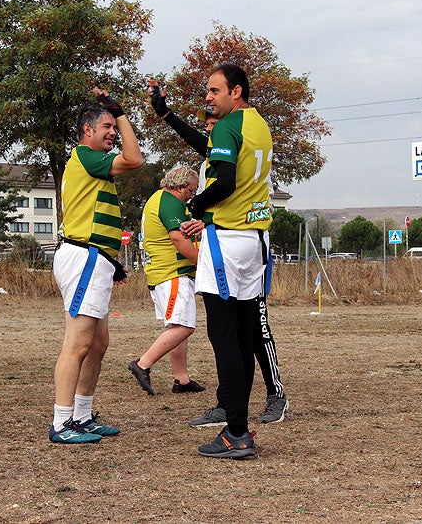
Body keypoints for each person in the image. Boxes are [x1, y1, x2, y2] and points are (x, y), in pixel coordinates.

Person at [149, 81, 289, 428]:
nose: (208, 103)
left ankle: (259, 405)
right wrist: (167, 115)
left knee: (244, 330)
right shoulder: (255, 124)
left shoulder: (231, 127)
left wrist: (196, 206)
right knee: (243, 330)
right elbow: (205, 146)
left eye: (213, 92)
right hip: (249, 237)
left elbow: (224, 182)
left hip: (232, 238)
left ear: (235, 93)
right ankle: (231, 408)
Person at [49, 89, 144, 444]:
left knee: (98, 344)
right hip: (83, 258)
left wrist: (111, 262)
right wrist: (120, 112)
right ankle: (61, 423)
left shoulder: (92, 164)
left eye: (113, 126)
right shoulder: (88, 156)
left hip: (95, 258)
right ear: (87, 131)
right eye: (106, 126)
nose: (113, 132)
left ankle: (82, 417)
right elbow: (134, 159)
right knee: (78, 344)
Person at [128, 166, 207, 396]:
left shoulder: (158, 199)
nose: (192, 196)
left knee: (176, 325)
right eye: (191, 191)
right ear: (180, 187)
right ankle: (142, 363)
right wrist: (202, 264)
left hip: (161, 273)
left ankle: (181, 379)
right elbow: (177, 239)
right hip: (171, 272)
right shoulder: (170, 202)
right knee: (184, 326)